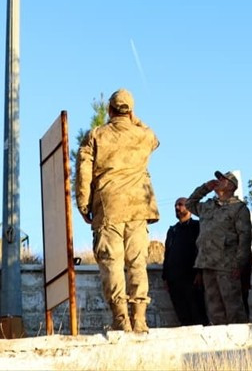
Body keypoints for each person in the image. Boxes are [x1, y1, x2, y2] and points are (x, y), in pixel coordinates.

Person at [75, 88, 160, 333]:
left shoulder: (97, 135)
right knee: (137, 262)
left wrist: (83, 203)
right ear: (131, 111)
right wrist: (134, 119)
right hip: (138, 206)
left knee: (112, 262)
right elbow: (155, 140)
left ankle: (121, 318)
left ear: (109, 110)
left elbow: (84, 172)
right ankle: (140, 318)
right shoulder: (144, 135)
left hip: (108, 205)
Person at [186, 170, 251, 325]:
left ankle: (240, 341)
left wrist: (239, 263)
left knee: (232, 306)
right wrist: (205, 188)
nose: (218, 181)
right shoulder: (208, 206)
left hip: (227, 263)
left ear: (231, 186)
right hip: (207, 262)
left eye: (223, 179)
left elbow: (245, 237)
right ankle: (220, 341)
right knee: (214, 307)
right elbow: (190, 204)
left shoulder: (238, 208)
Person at [162, 197, 207, 326]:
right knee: (182, 314)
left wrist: (199, 272)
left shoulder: (197, 226)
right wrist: (165, 277)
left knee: (197, 312)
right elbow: (167, 254)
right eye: (176, 205)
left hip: (192, 277)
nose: (177, 208)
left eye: (180, 205)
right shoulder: (172, 230)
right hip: (174, 280)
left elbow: (201, 250)